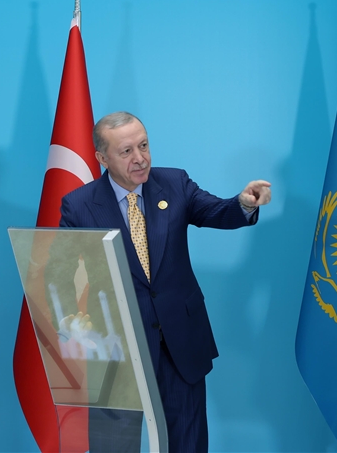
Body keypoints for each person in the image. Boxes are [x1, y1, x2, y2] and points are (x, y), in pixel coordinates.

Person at [59, 111, 271, 452]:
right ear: (102, 158)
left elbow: (216, 211)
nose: (140, 158)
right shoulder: (79, 205)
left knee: (187, 442)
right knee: (114, 446)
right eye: (126, 151)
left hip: (179, 344)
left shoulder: (175, 183)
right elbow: (67, 275)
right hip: (116, 349)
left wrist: (243, 204)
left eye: (143, 145)